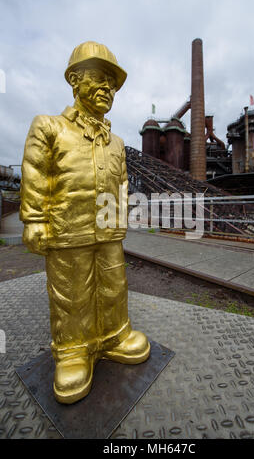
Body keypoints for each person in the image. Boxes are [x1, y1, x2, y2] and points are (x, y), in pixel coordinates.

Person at [20, 41, 150, 404]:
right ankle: (74, 350)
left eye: (113, 81)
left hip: (108, 231)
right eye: (101, 77)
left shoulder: (117, 142)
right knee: (72, 293)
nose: (108, 87)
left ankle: (114, 335)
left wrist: (122, 217)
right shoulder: (49, 126)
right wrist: (33, 219)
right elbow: (35, 172)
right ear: (75, 80)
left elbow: (121, 183)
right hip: (67, 230)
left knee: (113, 285)